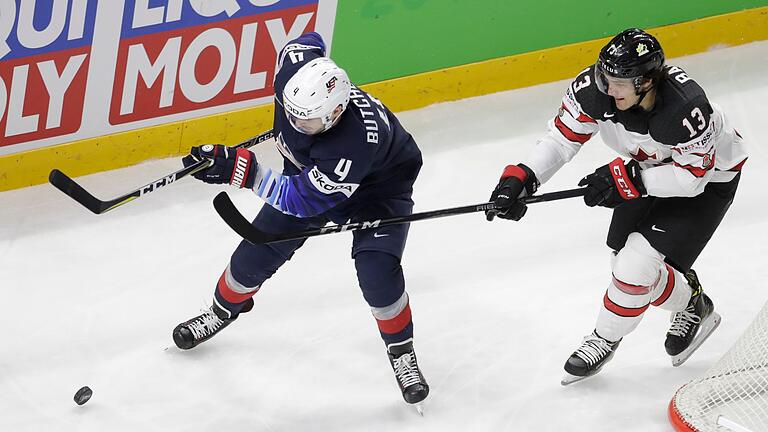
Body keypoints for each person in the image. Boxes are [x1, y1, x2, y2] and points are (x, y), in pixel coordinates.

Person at [172, 32, 429, 408]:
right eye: (291, 114)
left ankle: (401, 351)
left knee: (377, 272)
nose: (293, 124)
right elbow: (308, 40)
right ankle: (221, 311)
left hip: (378, 194)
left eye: (304, 122)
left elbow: (302, 201)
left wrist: (244, 171)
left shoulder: (354, 142)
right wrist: (227, 160)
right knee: (251, 259)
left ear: (337, 112)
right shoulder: (293, 66)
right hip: (311, 176)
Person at [486, 28, 747, 384]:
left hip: (708, 179)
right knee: (626, 263)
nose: (608, 89)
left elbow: (691, 180)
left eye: (620, 83)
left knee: (634, 266)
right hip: (652, 168)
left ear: (647, 82)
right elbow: (561, 140)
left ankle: (604, 338)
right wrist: (524, 177)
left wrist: (629, 181)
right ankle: (693, 303)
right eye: (604, 77)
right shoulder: (596, 91)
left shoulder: (684, 109)